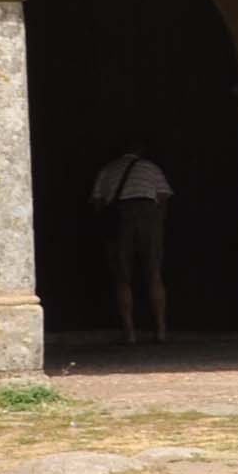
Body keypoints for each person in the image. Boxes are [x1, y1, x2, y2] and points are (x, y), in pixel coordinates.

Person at [88, 147, 172, 345]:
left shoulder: (108, 170)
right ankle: (161, 330)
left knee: (122, 278)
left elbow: (97, 201)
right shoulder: (150, 167)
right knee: (154, 274)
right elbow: (163, 196)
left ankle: (129, 333)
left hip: (120, 219)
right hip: (149, 217)